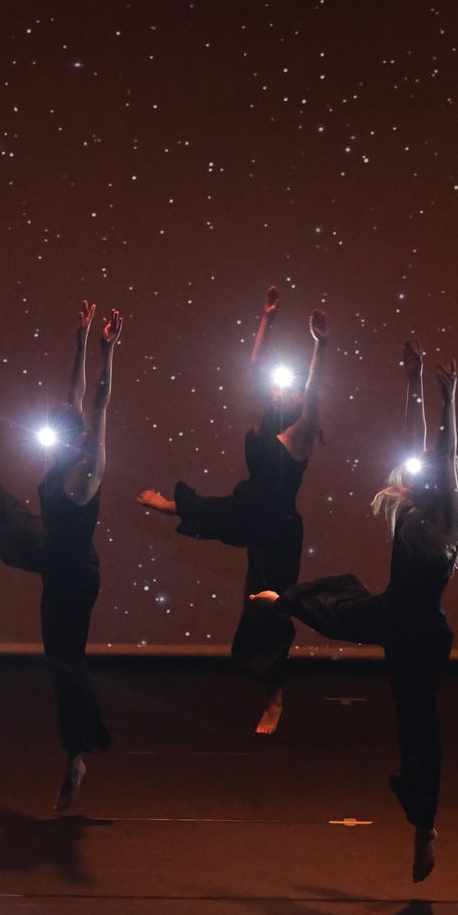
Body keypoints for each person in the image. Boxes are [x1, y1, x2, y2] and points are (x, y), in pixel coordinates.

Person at [252, 345, 458, 881]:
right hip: (392, 610)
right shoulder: (413, 504)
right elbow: (414, 445)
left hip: (419, 632)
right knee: (342, 601)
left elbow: (443, 451)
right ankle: (287, 600)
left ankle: (425, 824)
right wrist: (413, 383)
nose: (409, 476)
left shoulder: (443, 513)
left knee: (417, 726)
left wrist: (450, 401)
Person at [138, 286, 329, 733]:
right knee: (212, 509)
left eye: (295, 393)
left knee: (267, 610)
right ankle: (172, 506)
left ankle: (275, 695)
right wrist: (267, 319)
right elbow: (255, 371)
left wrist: (321, 345)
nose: (288, 394)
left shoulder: (300, 436)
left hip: (278, 529)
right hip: (248, 507)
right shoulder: (263, 423)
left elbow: (315, 391)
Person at [0, 302, 122, 812]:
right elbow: (75, 397)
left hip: (76, 573)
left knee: (67, 662)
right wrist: (79, 340)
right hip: (54, 557)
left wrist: (107, 351)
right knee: (59, 661)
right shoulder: (62, 453)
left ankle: (78, 749)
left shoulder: (89, 469)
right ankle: (78, 746)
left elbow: (97, 403)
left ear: (79, 440)